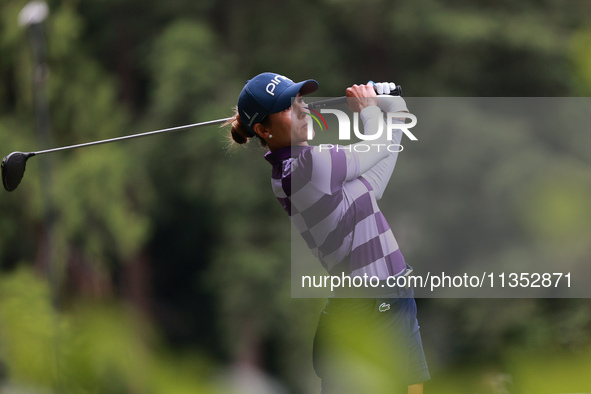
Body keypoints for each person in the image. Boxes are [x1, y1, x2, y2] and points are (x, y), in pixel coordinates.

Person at [226, 72, 430, 394]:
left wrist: (394, 109)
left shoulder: (298, 169)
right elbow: (377, 144)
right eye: (288, 108)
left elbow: (373, 184)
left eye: (300, 101)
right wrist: (368, 108)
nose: (303, 110)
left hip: (388, 297)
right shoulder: (308, 167)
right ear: (264, 130)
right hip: (374, 303)